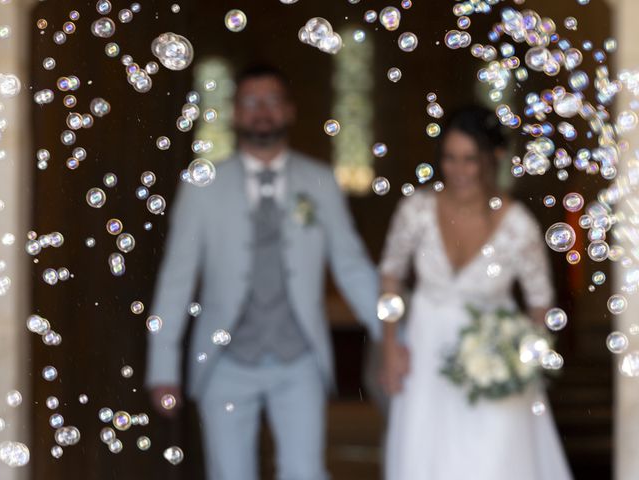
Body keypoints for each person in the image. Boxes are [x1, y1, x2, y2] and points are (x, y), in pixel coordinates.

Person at [144, 64, 381, 480]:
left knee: (305, 472)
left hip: (299, 357)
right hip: (225, 360)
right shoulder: (204, 188)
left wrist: (392, 336)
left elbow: (351, 265)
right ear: (235, 113)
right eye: (251, 103)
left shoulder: (320, 182)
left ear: (289, 111)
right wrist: (163, 367)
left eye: (272, 101)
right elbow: (176, 279)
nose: (262, 112)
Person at [379, 107, 573, 479]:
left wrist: (521, 362)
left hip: (494, 358)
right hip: (424, 353)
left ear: (493, 158)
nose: (459, 171)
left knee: (493, 462)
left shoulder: (518, 226)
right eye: (450, 158)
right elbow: (390, 275)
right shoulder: (416, 210)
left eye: (470, 159)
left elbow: (539, 304)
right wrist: (391, 343)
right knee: (425, 459)